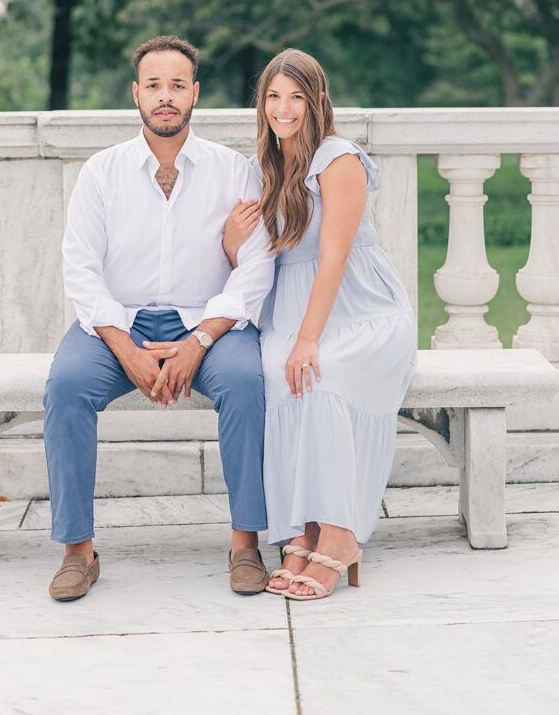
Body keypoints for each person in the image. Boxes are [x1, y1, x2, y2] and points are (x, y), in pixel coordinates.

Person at [43, 36, 275, 601]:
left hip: (210, 323)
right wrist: (126, 348)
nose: (165, 97)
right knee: (66, 386)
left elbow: (256, 266)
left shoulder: (234, 171)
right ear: (136, 93)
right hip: (117, 325)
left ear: (195, 93)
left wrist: (199, 340)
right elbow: (81, 268)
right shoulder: (103, 172)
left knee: (246, 383)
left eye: (177, 85)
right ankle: (78, 551)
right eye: (154, 85)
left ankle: (246, 543)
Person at [224, 48, 417, 601]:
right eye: (273, 96)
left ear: (317, 101)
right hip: (289, 312)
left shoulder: (338, 160)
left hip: (360, 313)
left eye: (296, 97)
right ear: (262, 104)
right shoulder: (268, 165)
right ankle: (299, 530)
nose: (283, 109)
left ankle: (339, 532)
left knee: (321, 373)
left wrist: (309, 339)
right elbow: (263, 257)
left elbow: (332, 257)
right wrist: (232, 243)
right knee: (276, 376)